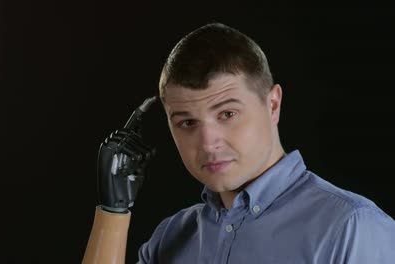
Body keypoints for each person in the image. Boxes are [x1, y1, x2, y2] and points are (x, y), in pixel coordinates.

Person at [82, 22, 395, 264]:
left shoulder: (352, 227)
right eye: (187, 122)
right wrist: (113, 210)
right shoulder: (171, 238)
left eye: (227, 113)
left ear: (272, 105)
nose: (208, 142)